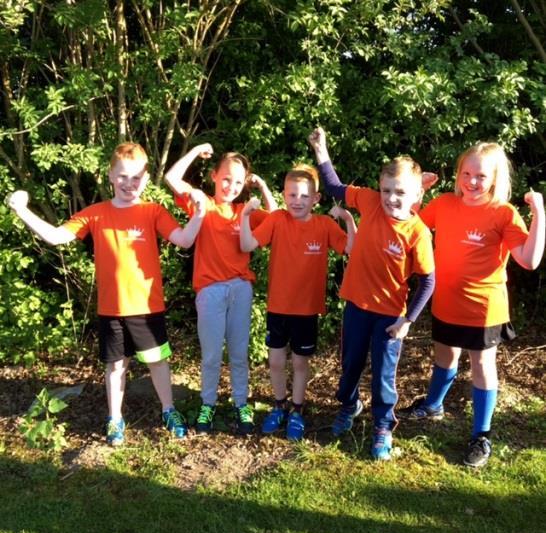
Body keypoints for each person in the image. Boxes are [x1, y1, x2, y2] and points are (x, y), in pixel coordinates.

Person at [8, 142, 207, 446]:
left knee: (157, 362)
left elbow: (183, 240)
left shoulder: (152, 210)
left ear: (146, 178)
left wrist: (199, 214)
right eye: (123, 176)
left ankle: (169, 410)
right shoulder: (96, 213)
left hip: (147, 306)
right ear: (110, 176)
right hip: (111, 309)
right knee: (116, 366)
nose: (130, 183)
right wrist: (22, 211)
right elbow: (56, 236)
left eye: (137, 177)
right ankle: (115, 418)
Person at [403, 142, 545, 467]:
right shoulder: (444, 203)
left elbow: (529, 259)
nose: (472, 181)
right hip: (446, 301)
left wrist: (539, 213)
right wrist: (418, 194)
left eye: (481, 175)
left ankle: (481, 435)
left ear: (495, 178)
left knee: (482, 367)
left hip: (485, 309)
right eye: (466, 173)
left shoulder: (503, 213)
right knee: (444, 355)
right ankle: (433, 405)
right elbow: (410, 230)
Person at [308, 127, 436, 461]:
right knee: (350, 364)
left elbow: (427, 281)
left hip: (390, 317)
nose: (391, 198)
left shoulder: (418, 233)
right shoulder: (369, 203)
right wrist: (321, 149)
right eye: (386, 190)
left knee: (382, 374)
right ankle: (349, 405)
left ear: (416, 196)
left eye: (400, 193)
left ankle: (382, 427)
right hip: (356, 306)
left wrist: (409, 320)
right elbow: (335, 188)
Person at [164, 143, 278, 435]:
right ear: (214, 176)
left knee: (239, 354)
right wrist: (195, 150)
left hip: (240, 289)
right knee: (212, 354)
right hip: (210, 291)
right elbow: (172, 178)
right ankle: (208, 403)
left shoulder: (245, 211)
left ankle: (241, 403)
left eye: (239, 182)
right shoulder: (203, 203)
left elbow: (278, 218)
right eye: (226, 178)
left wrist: (263, 186)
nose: (231, 186)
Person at [239, 164, 356, 440]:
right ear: (284, 196)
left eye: (304, 196)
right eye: (292, 195)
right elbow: (246, 245)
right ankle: (279, 406)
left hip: (306, 311)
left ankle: (297, 410)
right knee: (276, 362)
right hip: (277, 308)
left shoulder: (324, 225)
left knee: (301, 364)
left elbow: (351, 248)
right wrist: (245, 215)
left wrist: (348, 220)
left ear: (316, 199)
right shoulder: (277, 219)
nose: (297, 201)